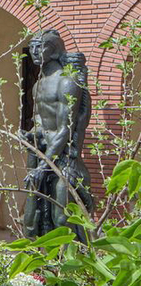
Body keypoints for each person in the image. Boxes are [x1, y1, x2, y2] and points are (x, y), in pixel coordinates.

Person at [21, 29, 93, 238]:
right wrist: (30, 135)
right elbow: (41, 124)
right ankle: (43, 263)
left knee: (62, 216)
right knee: (33, 213)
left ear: (52, 51)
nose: (34, 52)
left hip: (63, 158)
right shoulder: (38, 85)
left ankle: (71, 264)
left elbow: (65, 128)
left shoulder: (67, 82)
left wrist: (45, 165)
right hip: (42, 152)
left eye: (39, 47)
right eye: (31, 47)